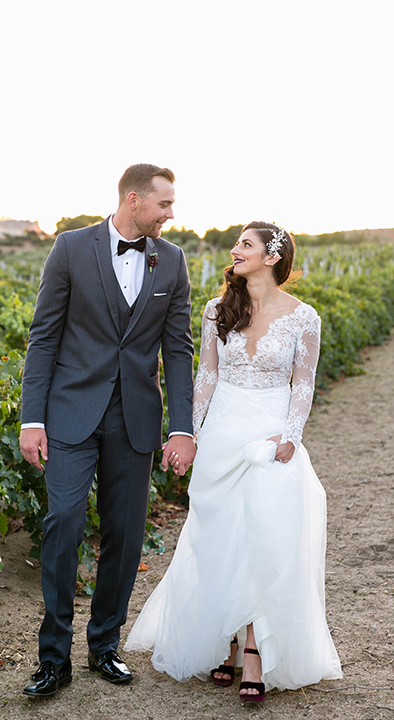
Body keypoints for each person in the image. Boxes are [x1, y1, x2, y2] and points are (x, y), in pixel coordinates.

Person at [125, 221, 343, 703]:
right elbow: (206, 375)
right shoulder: (215, 311)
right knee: (218, 536)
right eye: (237, 243)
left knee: (261, 536)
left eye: (246, 244)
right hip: (221, 432)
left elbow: (303, 382)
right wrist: (193, 433)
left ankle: (253, 650)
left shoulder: (304, 317)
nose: (234, 250)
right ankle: (224, 639)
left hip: (268, 437)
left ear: (271, 257)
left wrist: (290, 436)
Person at [20, 163, 196, 698]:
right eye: (165, 204)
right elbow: (44, 336)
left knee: (124, 535)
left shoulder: (174, 261)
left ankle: (103, 646)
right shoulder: (71, 248)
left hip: (136, 418)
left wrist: (183, 428)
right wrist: (32, 417)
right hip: (71, 413)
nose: (171, 214)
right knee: (64, 523)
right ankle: (54, 658)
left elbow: (179, 349)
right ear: (135, 199)